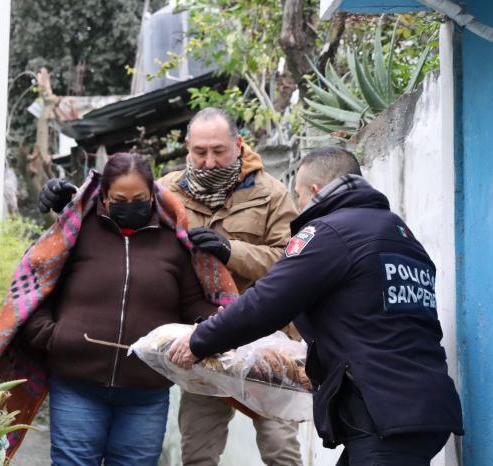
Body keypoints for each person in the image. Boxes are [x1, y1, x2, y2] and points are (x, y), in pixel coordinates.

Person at [39, 107, 303, 466]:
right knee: (197, 453)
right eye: (200, 152)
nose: (209, 161)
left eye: (219, 150)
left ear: (238, 145)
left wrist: (232, 251)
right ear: (187, 149)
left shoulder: (272, 194)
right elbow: (112, 219)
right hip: (204, 349)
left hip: (261, 348)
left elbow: (290, 263)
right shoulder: (165, 192)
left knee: (280, 452)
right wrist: (72, 200)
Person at [169, 146, 464, 466]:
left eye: (298, 196)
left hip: (382, 414)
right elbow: (370, 322)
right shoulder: (400, 235)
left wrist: (200, 340)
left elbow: (267, 301)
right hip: (420, 407)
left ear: (314, 191)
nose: (297, 207)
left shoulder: (330, 232)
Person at [20, 152, 218, 466]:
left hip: (146, 391)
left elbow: (193, 304)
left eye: (139, 198)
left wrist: (220, 324)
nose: (130, 205)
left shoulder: (174, 243)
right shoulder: (77, 233)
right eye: (119, 199)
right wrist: (55, 337)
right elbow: (35, 290)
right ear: (104, 197)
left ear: (153, 194)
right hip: (76, 386)